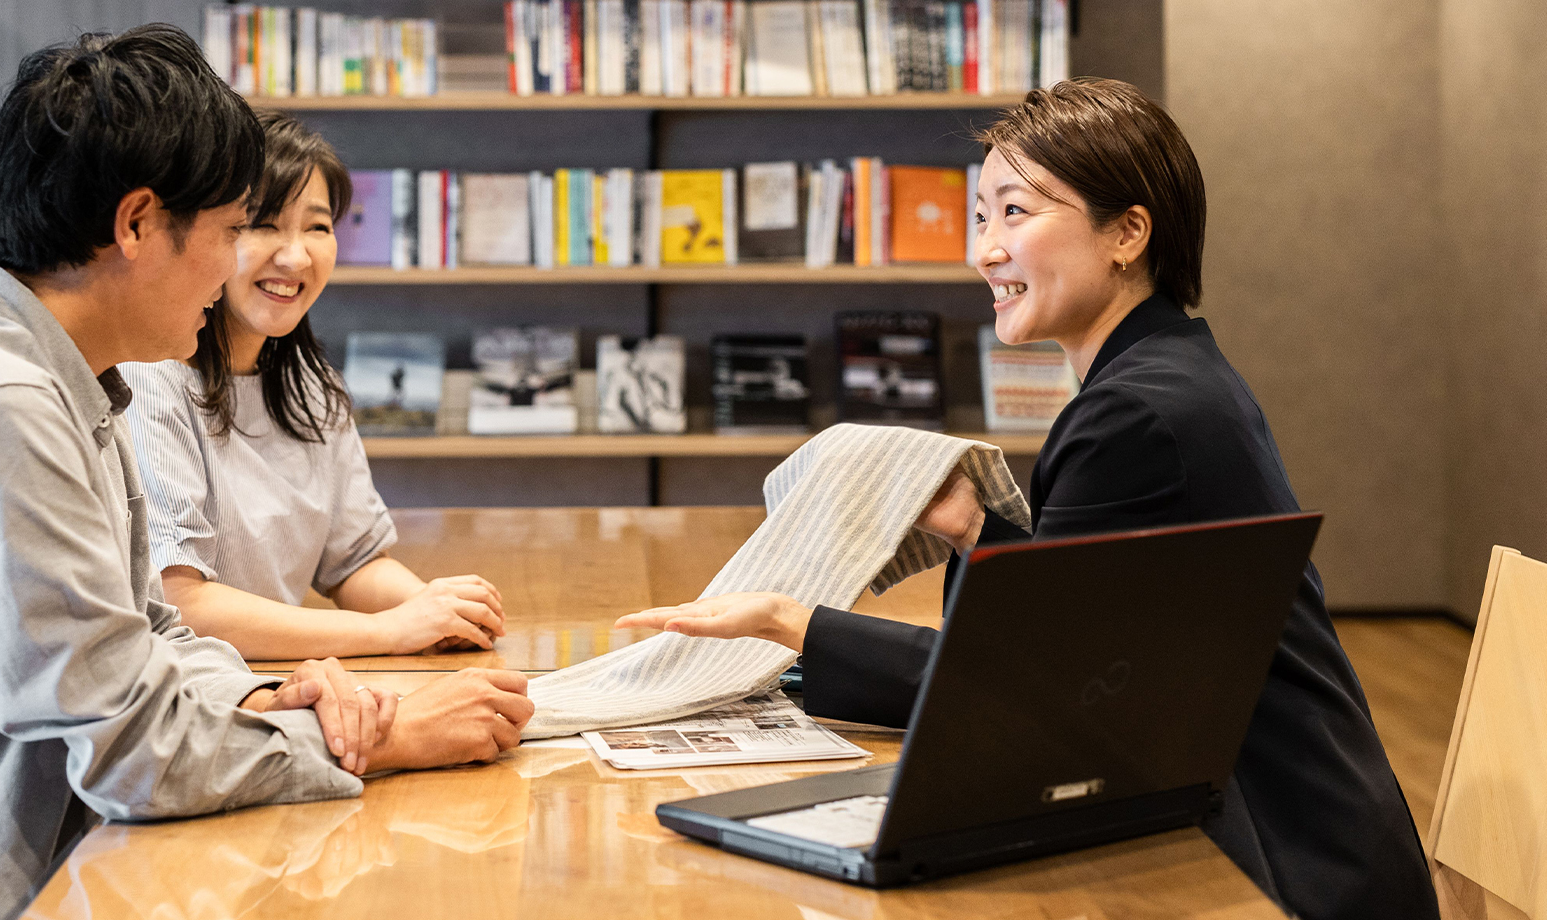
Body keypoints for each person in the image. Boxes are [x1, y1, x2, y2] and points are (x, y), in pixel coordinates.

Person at [616, 79, 1438, 920]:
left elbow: (1028, 698)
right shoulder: (1173, 373)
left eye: (1015, 212)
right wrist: (975, 525)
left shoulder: (1133, 416)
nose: (985, 250)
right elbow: (1088, 647)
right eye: (981, 216)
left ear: (1127, 232)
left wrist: (794, 623)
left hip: (1273, 869)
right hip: (1320, 835)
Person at [0, 27, 532, 920]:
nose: (233, 265)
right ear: (137, 225)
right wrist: (388, 737)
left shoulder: (52, 374)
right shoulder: (2, 408)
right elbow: (132, 753)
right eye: (231, 229)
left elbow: (149, 635)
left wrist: (268, 691)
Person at [122, 113, 509, 659]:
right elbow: (182, 604)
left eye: (318, 227)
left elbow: (353, 562)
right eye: (263, 224)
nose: (296, 255)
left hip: (279, 687)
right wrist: (391, 632)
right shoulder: (150, 377)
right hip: (192, 701)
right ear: (211, 233)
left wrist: (436, 610)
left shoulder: (312, 386)